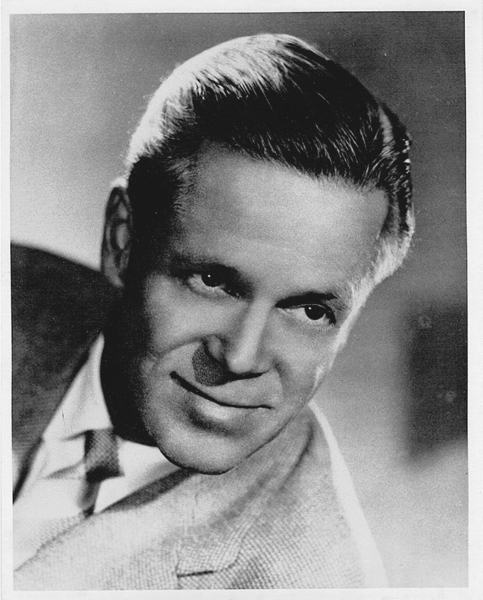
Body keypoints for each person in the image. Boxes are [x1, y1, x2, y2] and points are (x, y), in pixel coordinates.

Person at [12, 33, 414, 589]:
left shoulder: (313, 581)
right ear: (122, 240)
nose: (242, 358)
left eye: (309, 311)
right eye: (214, 281)